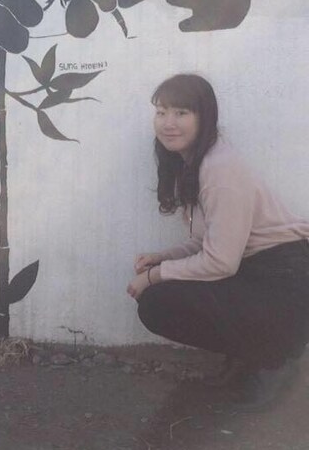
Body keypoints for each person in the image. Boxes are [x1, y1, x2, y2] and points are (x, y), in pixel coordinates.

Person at [127, 73, 309, 411]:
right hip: (254, 272)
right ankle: (250, 356)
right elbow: (208, 242)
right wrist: (162, 257)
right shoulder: (195, 163)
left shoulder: (220, 169)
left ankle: (276, 359)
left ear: (204, 117)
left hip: (284, 281)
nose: (168, 123)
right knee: (159, 298)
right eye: (161, 112)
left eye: (181, 112)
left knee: (157, 301)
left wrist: (154, 275)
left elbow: (221, 261)